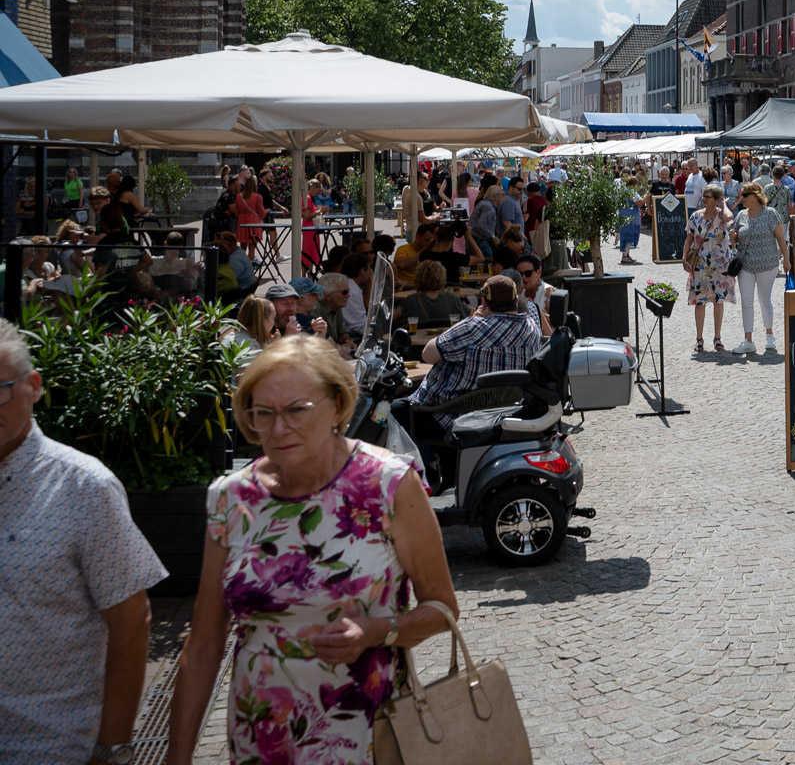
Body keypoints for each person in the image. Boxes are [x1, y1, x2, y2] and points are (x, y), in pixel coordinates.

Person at [165, 338, 457, 764]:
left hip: (367, 737)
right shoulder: (231, 497)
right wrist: (176, 757)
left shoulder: (387, 485)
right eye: (263, 413)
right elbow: (204, 646)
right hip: (262, 741)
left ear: (337, 406)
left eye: (296, 410)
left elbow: (443, 609)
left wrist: (376, 632)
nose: (278, 428)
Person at [0, 324, 165, 765]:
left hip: (50, 747)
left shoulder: (83, 487)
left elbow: (131, 620)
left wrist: (112, 748)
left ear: (34, 386)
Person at [405, 276, 541, 429]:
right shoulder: (532, 329)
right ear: (516, 301)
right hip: (503, 415)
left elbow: (427, 355)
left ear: (483, 303)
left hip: (449, 417)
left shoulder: (472, 328)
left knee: (394, 412)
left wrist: (470, 320)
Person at [730, 182, 790, 355]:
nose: (741, 199)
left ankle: (769, 335)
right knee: (746, 302)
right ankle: (748, 340)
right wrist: (733, 239)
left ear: (755, 196)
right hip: (745, 265)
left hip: (767, 264)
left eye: (744, 195)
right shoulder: (740, 215)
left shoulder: (770, 213)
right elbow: (736, 241)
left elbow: (780, 238)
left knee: (765, 300)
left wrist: (786, 260)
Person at [684, 185, 737, 355]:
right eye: (703, 196)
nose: (704, 199)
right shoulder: (695, 216)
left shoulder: (722, 216)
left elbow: (730, 217)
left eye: (708, 197)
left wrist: (724, 205)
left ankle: (717, 337)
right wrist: (684, 257)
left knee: (718, 301)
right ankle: (699, 339)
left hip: (720, 265)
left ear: (717, 200)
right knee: (700, 302)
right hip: (700, 264)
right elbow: (689, 238)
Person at [401, 259, 470, 329]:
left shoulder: (411, 300)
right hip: (446, 335)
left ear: (418, 277)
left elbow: (395, 317)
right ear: (442, 277)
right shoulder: (451, 298)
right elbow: (471, 318)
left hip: (417, 336)